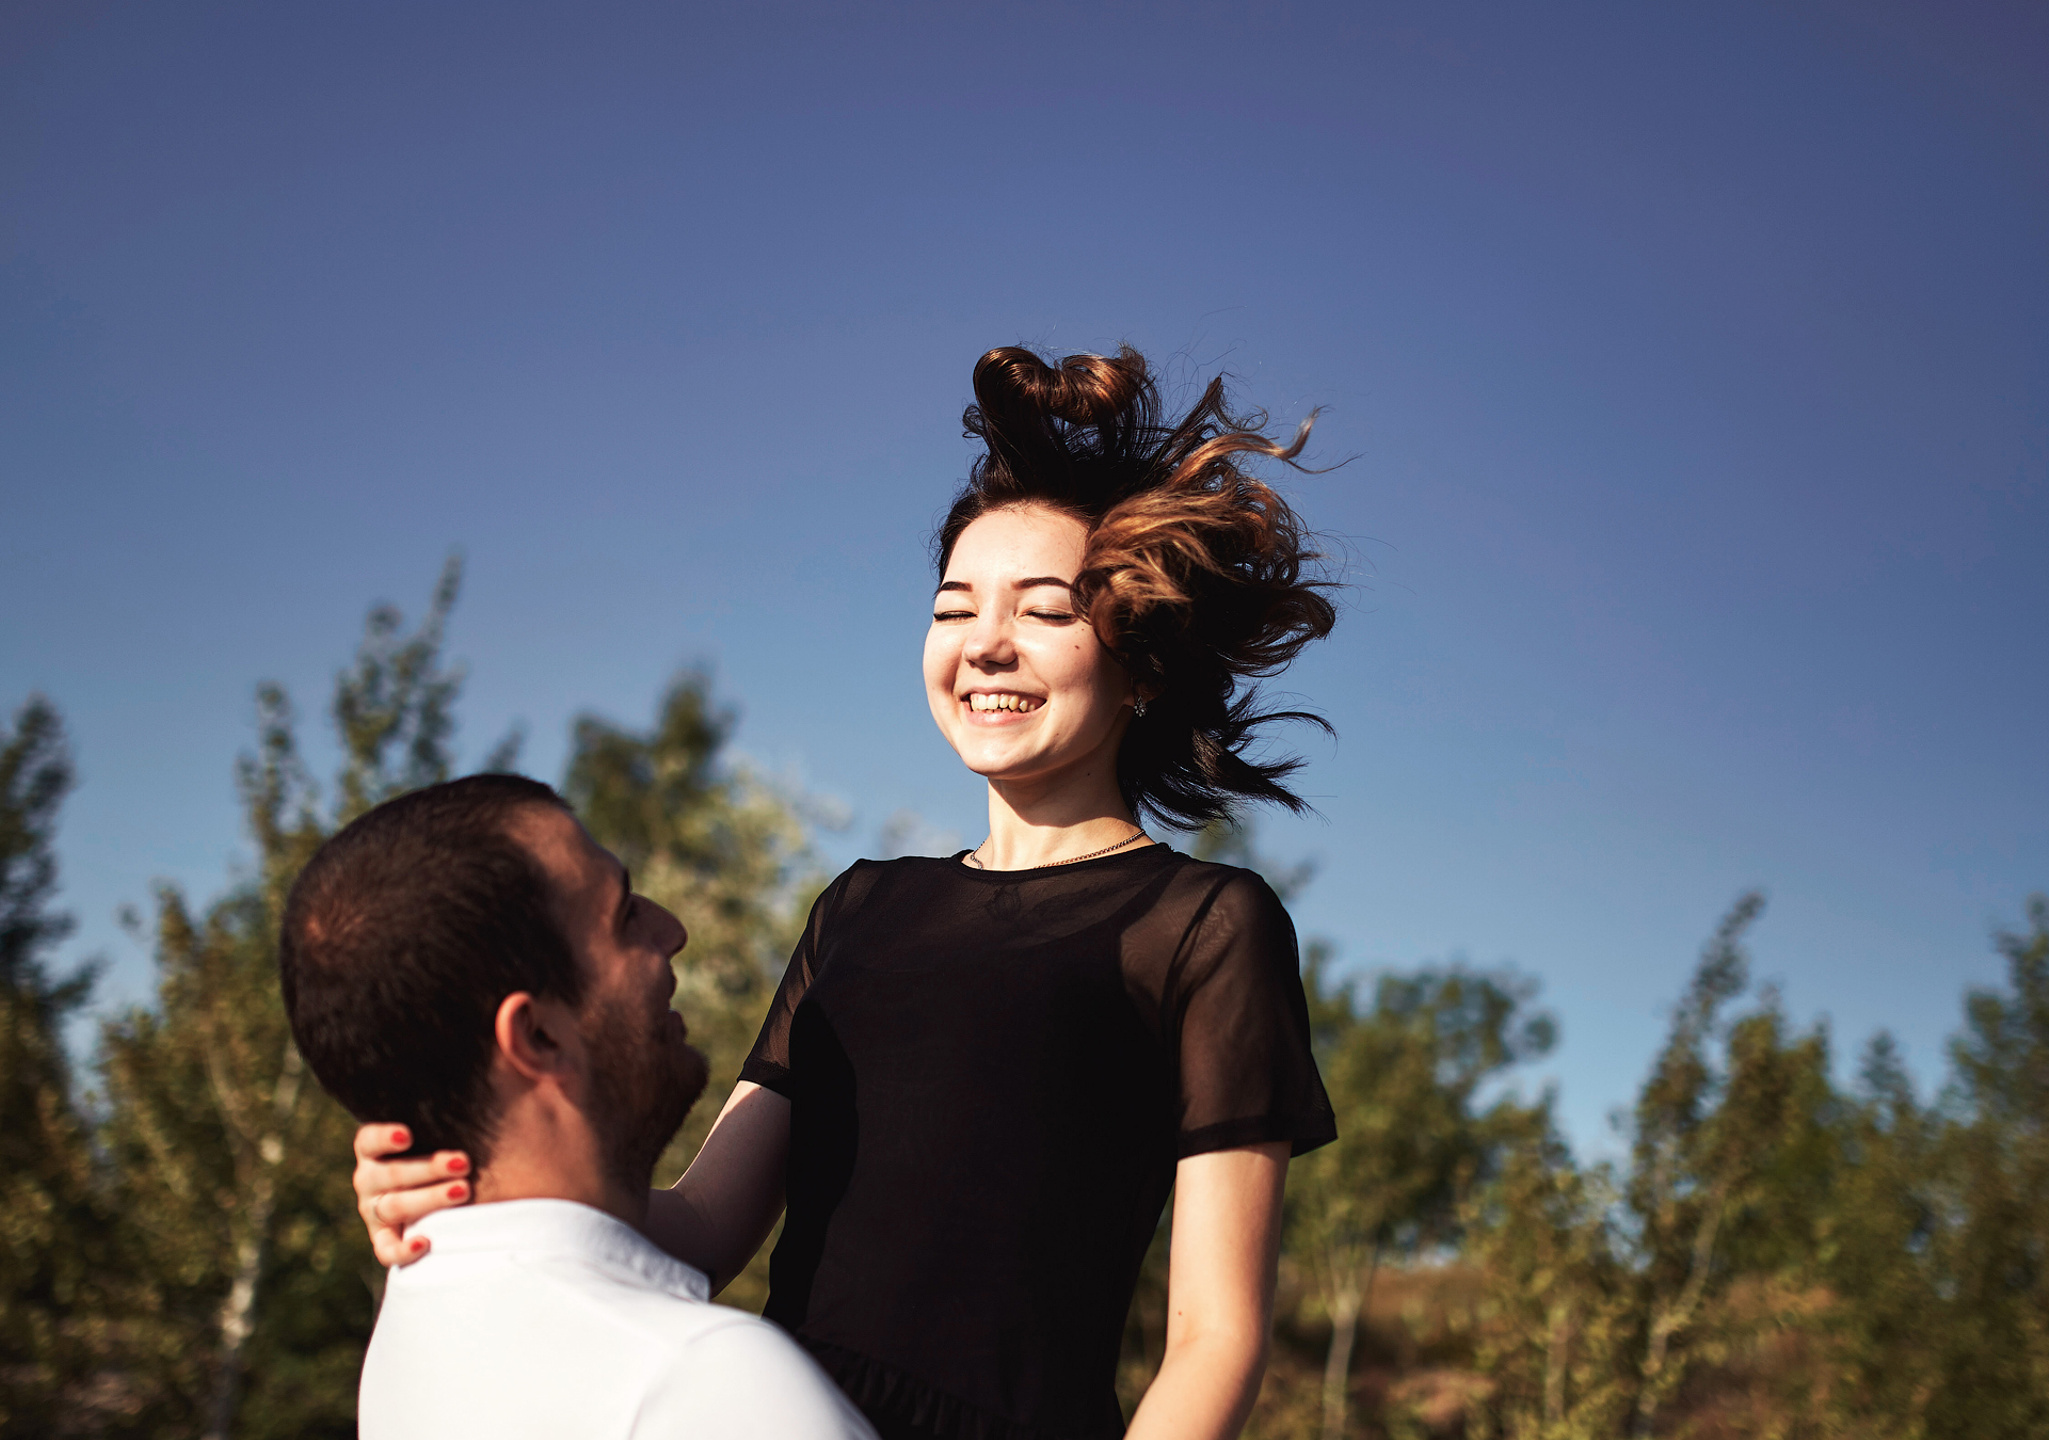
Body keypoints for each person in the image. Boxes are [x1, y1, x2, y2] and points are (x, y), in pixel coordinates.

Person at [354, 346, 1341, 1440]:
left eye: (1045, 613)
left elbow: (1215, 1339)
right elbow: (696, 1232)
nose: (985, 647)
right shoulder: (860, 908)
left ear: (1142, 666)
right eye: (954, 610)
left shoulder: (1204, 926)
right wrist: (469, 1189)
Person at [280, 773, 877, 1440]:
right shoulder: (706, 1380)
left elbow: (702, 1222)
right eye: (624, 915)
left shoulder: (410, 1335)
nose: (673, 930)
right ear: (538, 1036)